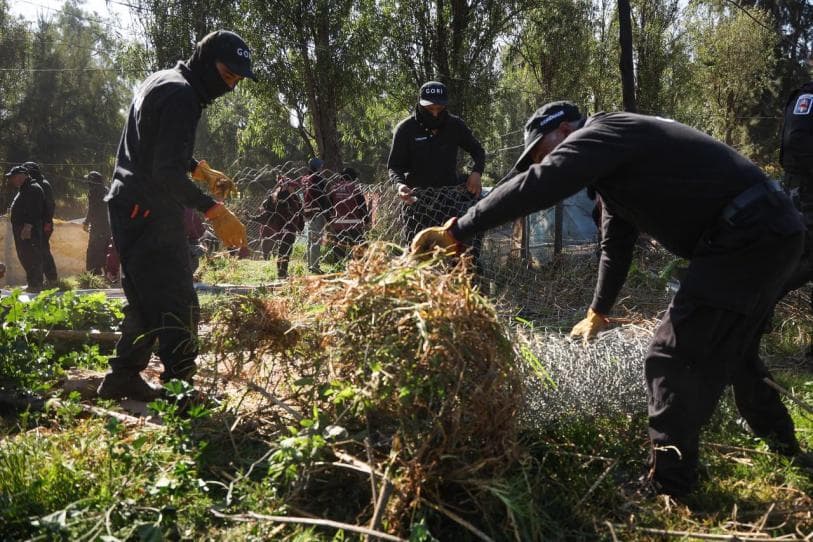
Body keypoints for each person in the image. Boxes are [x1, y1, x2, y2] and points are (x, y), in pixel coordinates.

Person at [412, 101, 811, 498]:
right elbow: (615, 247)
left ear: (565, 131)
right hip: (770, 230)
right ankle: (785, 447)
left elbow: (541, 183)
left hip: (747, 234)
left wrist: (459, 229)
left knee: (668, 357)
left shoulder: (604, 132)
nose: (543, 159)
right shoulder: (619, 166)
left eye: (541, 151)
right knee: (738, 351)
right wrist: (598, 311)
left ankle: (668, 485)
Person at [96, 29, 253, 403]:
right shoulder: (183, 95)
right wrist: (214, 211)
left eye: (236, 80)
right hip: (148, 210)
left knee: (148, 299)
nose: (229, 87)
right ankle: (182, 391)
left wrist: (200, 170)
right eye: (227, 76)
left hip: (131, 205)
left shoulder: (164, 80)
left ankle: (122, 378)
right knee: (178, 301)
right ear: (205, 59)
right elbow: (165, 172)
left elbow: (158, 146)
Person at [387, 81, 485, 243]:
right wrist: (399, 185)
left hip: (448, 202)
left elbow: (478, 151)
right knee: (417, 256)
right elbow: (394, 166)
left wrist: (477, 173)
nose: (434, 114)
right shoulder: (405, 129)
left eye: (439, 109)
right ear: (419, 104)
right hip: (417, 203)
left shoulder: (455, 125)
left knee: (452, 253)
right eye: (429, 109)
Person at [778, 81, 813, 359]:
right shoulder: (809, 97)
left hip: (798, 194)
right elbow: (797, 149)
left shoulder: (804, 95)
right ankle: (746, 318)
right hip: (806, 197)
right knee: (795, 263)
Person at [251, 175, 304, 279]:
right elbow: (268, 210)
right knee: (283, 250)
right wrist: (281, 190)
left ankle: (283, 272)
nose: (294, 188)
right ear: (285, 186)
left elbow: (300, 213)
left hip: (292, 228)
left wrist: (300, 227)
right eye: (291, 186)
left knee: (287, 251)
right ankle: (282, 273)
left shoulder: (295, 198)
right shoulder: (276, 196)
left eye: (294, 186)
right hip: (282, 228)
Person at [5, 165, 45, 293]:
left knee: (32, 256)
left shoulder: (33, 188)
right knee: (26, 256)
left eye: (14, 177)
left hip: (29, 229)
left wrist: (28, 226)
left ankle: (36, 285)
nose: (13, 180)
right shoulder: (25, 188)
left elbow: (35, 210)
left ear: (22, 175)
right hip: (22, 229)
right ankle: (32, 283)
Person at [23, 161, 58, 286]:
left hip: (43, 224)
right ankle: (42, 280)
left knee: (43, 250)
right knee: (37, 251)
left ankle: (52, 278)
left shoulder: (43, 184)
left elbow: (50, 205)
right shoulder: (33, 184)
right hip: (37, 224)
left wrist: (47, 222)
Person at [325, 166, 369, 261]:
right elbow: (362, 206)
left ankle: (338, 267)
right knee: (359, 249)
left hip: (339, 224)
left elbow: (328, 206)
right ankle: (359, 267)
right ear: (352, 177)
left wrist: (329, 219)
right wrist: (366, 218)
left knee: (339, 249)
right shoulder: (355, 188)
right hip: (354, 224)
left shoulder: (334, 188)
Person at [302, 157, 329, 274]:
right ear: (318, 167)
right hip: (317, 212)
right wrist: (328, 215)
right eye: (321, 166)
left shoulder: (306, 179)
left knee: (310, 239)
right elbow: (322, 198)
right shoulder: (318, 179)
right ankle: (315, 266)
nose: (322, 168)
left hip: (308, 212)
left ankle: (310, 264)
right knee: (315, 240)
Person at [83, 171, 112, 275]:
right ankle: (107, 274)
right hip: (108, 226)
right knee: (105, 250)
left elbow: (92, 209)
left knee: (93, 250)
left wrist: (86, 222)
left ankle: (93, 274)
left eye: (89, 180)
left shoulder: (94, 191)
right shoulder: (107, 190)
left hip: (98, 226)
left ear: (92, 181)